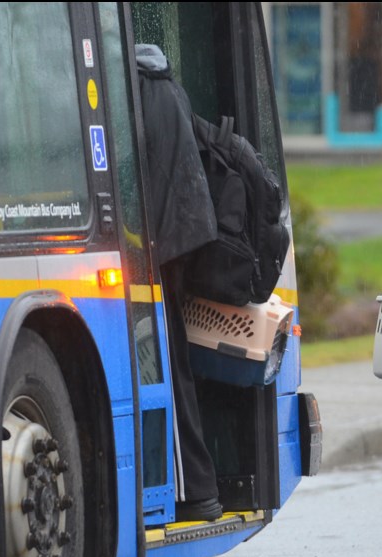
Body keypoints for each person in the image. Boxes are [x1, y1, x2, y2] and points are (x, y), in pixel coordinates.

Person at [135, 43, 223, 522]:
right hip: (182, 239)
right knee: (174, 360)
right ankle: (196, 486)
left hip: (161, 244)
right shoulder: (166, 84)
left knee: (165, 366)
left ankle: (195, 488)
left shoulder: (134, 91)